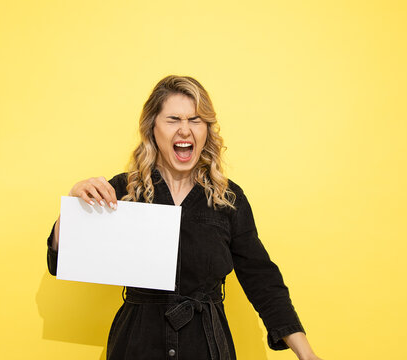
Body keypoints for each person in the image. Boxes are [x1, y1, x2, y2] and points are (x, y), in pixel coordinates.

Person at [46, 75, 323, 360]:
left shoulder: (228, 199)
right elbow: (62, 260)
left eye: (195, 120)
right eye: (173, 119)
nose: (184, 130)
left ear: (207, 130)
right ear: (152, 128)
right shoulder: (122, 191)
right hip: (137, 346)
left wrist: (307, 355)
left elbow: (263, 280)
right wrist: (75, 207)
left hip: (206, 347)